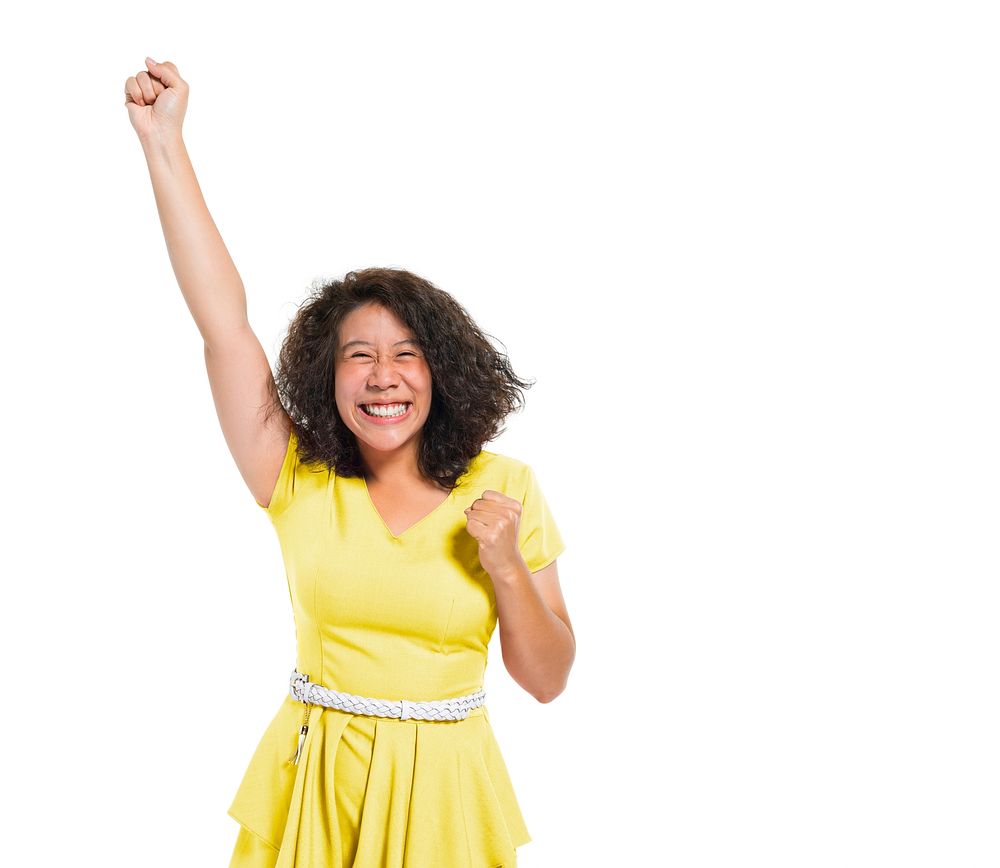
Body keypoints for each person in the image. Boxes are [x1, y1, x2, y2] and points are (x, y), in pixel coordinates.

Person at [124, 58, 576, 867]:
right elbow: (225, 328)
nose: (382, 377)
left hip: (444, 794)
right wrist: (165, 146)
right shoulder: (295, 478)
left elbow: (547, 681)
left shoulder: (506, 489)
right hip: (316, 785)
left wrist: (506, 566)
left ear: (442, 371)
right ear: (324, 378)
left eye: (406, 356)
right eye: (356, 357)